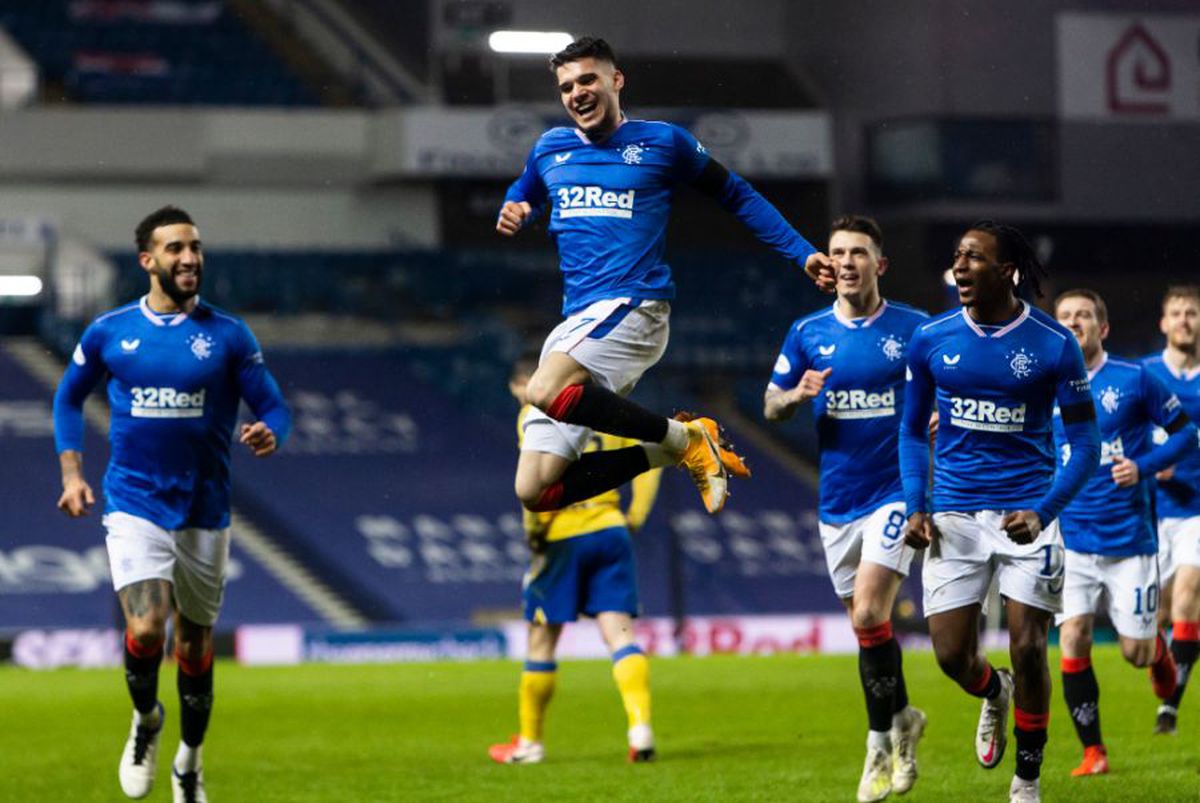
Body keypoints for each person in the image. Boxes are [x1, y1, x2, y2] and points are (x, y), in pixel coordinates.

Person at [496, 36, 827, 518]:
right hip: (577, 321)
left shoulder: (663, 142)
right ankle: (669, 449)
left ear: (616, 80)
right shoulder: (551, 148)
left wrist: (802, 253)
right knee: (536, 490)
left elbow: (737, 195)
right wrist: (518, 208)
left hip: (634, 306)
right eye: (566, 87)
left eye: (588, 79)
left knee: (543, 391)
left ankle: (685, 438)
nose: (577, 93)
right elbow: (524, 189)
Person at [53, 206, 291, 803]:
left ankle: (190, 760)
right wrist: (73, 474)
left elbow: (277, 407)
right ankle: (146, 722)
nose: (189, 258)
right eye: (176, 248)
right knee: (145, 626)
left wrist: (271, 432)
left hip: (205, 510)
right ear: (147, 261)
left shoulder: (230, 335)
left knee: (194, 644)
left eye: (195, 247)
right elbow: (67, 399)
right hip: (133, 502)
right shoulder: (109, 331)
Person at [899, 221, 1100, 803]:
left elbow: (1085, 447)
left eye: (975, 258)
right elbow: (912, 431)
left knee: (1028, 643)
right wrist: (917, 505)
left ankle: (1027, 782)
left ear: (1008, 270)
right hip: (956, 514)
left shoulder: (1053, 343)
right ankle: (994, 693)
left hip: (1027, 513)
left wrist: (1042, 511)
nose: (960, 267)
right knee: (950, 656)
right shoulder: (931, 338)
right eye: (957, 256)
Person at [764, 215, 927, 802]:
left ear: (879, 265)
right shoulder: (807, 332)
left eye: (859, 252)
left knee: (866, 615)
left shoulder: (915, 329)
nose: (847, 262)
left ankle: (878, 744)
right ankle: (904, 717)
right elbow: (770, 404)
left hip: (895, 493)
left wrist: (941, 418)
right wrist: (794, 395)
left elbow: (955, 389)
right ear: (827, 266)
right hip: (837, 502)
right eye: (837, 253)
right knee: (871, 631)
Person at [489, 355, 662, 765]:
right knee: (620, 635)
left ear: (526, 383)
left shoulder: (535, 413)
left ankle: (530, 743)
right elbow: (649, 464)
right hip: (610, 528)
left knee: (542, 639)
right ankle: (641, 730)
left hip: (563, 535)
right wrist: (633, 516)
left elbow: (535, 485)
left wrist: (534, 538)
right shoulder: (609, 406)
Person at [1050, 289, 1195, 775]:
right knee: (1073, 637)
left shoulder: (1135, 378)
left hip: (1129, 541)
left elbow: (1185, 434)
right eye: (1065, 317)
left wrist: (1144, 466)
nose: (1074, 323)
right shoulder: (1043, 384)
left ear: (1102, 328)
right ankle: (1094, 752)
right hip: (1071, 540)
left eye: (1084, 316)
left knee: (1134, 651)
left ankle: (1155, 654)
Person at [1143, 284, 1200, 735]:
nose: (1185, 320)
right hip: (1148, 512)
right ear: (1164, 323)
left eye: (1192, 313)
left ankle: (1170, 709)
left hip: (1196, 511)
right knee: (1154, 617)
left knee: (1186, 600)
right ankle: (1163, 662)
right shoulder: (1145, 375)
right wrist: (1151, 463)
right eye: (1177, 313)